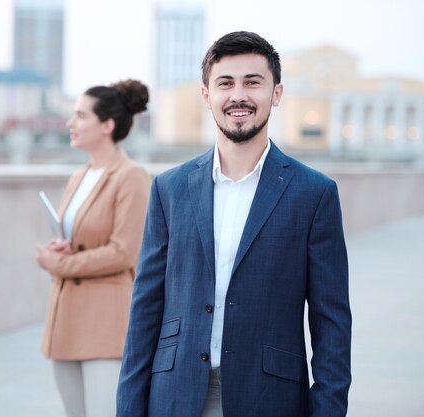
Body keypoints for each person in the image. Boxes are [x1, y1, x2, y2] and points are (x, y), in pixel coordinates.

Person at [117, 31, 352, 417]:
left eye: (253, 82)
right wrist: (128, 408)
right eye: (225, 83)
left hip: (269, 399)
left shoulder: (315, 194)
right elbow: (145, 309)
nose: (238, 95)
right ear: (207, 95)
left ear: (276, 93)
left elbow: (333, 325)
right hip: (175, 395)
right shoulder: (169, 188)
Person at [36, 79, 151, 417]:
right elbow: (81, 240)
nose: (71, 124)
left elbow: (123, 252)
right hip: (66, 317)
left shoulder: (132, 177)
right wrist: (60, 248)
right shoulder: (79, 176)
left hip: (106, 321)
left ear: (107, 125)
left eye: (80, 116)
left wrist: (59, 264)